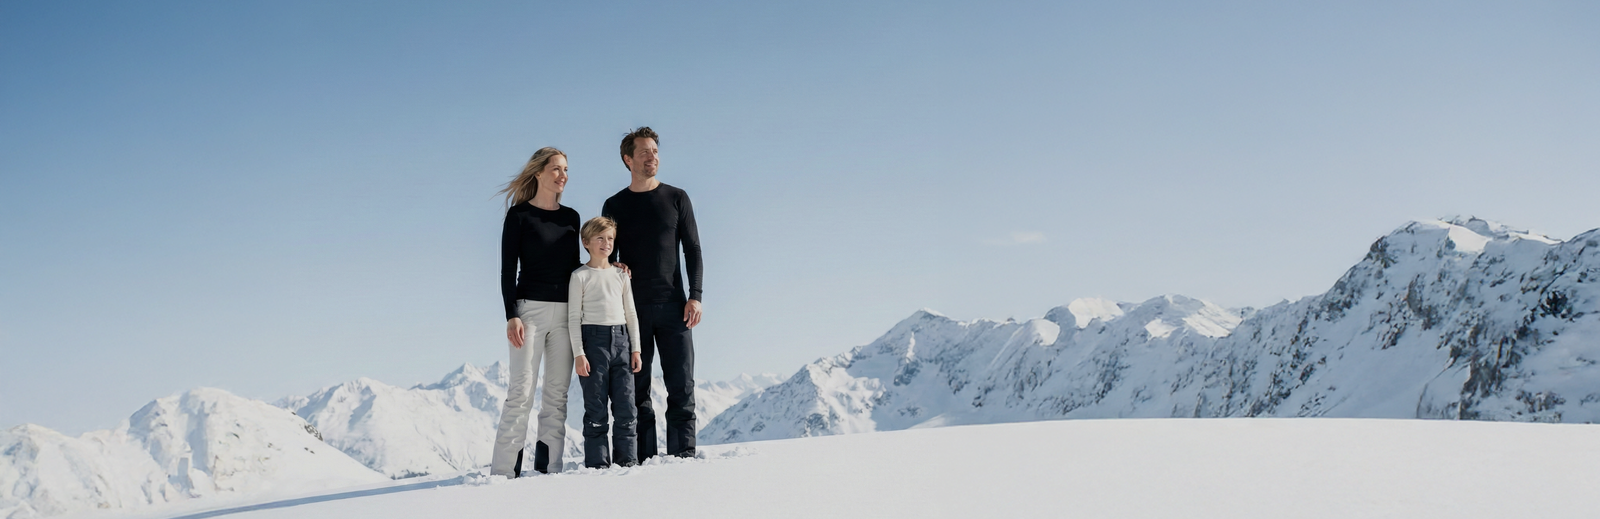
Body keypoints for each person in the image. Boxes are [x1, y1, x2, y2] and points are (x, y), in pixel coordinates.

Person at [602, 127, 704, 459]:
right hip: (631, 311)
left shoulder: (677, 197)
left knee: (682, 388)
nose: (652, 156)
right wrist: (614, 269)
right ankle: (641, 462)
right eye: (644, 151)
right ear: (627, 159)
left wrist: (696, 294)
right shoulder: (614, 204)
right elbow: (606, 258)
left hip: (675, 308)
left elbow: (693, 249)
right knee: (635, 392)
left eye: (655, 151)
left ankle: (683, 459)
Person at [490, 147, 581, 477]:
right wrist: (511, 314)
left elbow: (574, 269)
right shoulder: (518, 216)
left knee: (557, 397)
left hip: (566, 315)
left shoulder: (571, 218)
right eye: (556, 169)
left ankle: (549, 472)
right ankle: (503, 473)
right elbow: (506, 271)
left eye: (566, 170)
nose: (563, 175)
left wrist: (606, 268)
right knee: (521, 393)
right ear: (539, 172)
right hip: (529, 313)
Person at [567, 216, 643, 468]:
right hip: (593, 343)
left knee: (626, 407)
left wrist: (636, 348)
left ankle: (627, 463)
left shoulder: (621, 274)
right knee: (596, 408)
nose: (606, 243)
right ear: (586, 242)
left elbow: (631, 313)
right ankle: (597, 465)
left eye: (610, 238)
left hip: (622, 341)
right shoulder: (579, 276)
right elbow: (573, 318)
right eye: (600, 238)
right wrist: (579, 353)